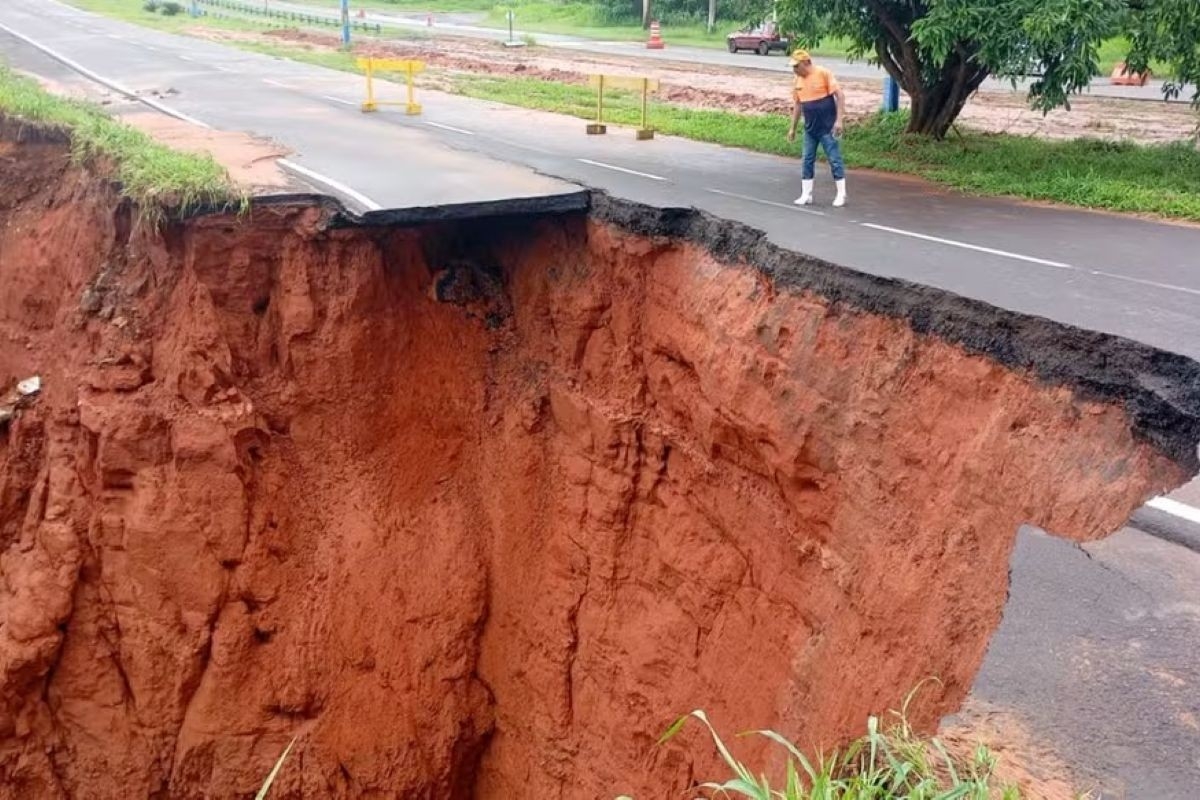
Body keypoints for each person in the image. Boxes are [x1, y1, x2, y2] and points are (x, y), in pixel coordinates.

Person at [786, 50, 847, 207]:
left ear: (806, 63)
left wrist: (839, 121)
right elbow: (798, 104)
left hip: (827, 126)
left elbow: (839, 96)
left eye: (796, 66)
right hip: (810, 128)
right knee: (807, 159)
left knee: (834, 159)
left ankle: (841, 193)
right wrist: (792, 128)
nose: (794, 70)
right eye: (793, 67)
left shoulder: (823, 73)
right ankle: (806, 194)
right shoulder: (797, 80)